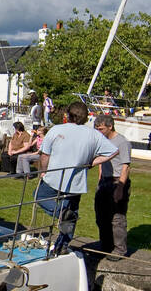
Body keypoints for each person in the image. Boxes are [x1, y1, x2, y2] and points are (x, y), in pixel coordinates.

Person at [35, 101, 118, 256]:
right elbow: (113, 152)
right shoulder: (93, 134)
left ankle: (60, 213)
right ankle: (63, 245)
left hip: (54, 176)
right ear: (86, 117)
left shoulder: (57, 129)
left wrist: (43, 171)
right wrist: (91, 163)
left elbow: (45, 154)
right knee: (71, 211)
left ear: (68, 114)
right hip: (76, 181)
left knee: (39, 196)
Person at [93, 114, 131, 260]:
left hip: (117, 181)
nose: (98, 132)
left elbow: (125, 167)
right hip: (104, 181)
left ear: (110, 126)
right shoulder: (102, 141)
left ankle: (119, 249)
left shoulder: (122, 142)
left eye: (101, 129)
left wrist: (120, 188)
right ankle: (106, 246)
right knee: (101, 216)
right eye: (97, 129)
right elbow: (102, 162)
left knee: (117, 218)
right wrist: (100, 179)